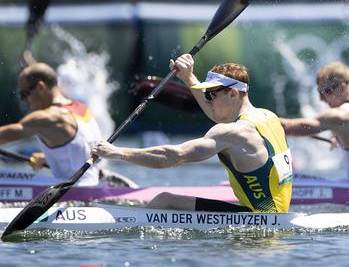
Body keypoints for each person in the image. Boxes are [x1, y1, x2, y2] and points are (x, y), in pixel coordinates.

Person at [92, 55, 293, 212]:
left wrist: (116, 153)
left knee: (165, 201)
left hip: (258, 220)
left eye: (211, 95)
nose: (208, 101)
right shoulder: (268, 117)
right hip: (277, 214)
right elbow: (217, 115)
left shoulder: (232, 132)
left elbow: (172, 157)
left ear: (232, 94)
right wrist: (188, 77)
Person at [0, 62, 102, 186]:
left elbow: (3, 136)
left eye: (24, 94)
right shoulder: (81, 109)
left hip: (73, 195)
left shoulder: (48, 118)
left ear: (41, 87)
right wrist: (48, 158)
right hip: (93, 187)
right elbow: (80, 154)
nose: (24, 100)